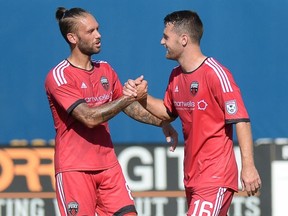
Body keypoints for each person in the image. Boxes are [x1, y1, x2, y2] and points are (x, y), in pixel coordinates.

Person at [123, 10, 261, 216]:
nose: (162, 41)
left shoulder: (216, 74)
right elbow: (167, 112)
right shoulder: (176, 76)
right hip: (192, 177)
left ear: (184, 39)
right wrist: (141, 97)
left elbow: (241, 120)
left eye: (166, 36)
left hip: (216, 176)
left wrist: (248, 167)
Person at [45, 7, 178, 216]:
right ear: (72, 37)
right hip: (75, 170)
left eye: (98, 29)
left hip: (108, 167)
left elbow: (128, 106)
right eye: (90, 31)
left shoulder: (105, 69)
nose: (98, 35)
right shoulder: (59, 76)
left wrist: (162, 123)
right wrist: (129, 95)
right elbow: (89, 117)